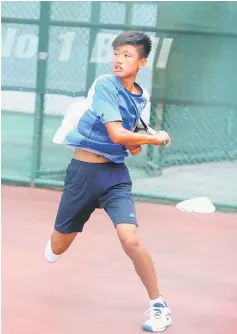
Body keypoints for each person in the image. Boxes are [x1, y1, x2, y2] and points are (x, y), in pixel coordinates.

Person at [45, 31, 172, 332]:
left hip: (114, 177)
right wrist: (154, 139)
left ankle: (158, 305)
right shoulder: (105, 85)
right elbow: (117, 134)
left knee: (132, 240)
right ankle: (56, 242)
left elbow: (128, 141)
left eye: (127, 55)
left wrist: (138, 143)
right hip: (82, 175)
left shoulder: (141, 97)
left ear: (142, 62)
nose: (118, 59)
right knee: (57, 248)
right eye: (116, 53)